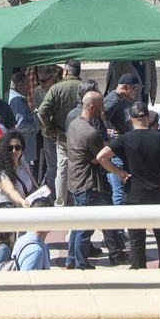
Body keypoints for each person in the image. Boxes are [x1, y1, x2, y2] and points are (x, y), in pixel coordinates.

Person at [112, 103, 160, 269]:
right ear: (147, 118)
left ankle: (139, 271)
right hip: (158, 194)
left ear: (130, 119)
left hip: (133, 194)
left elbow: (102, 156)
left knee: (136, 239)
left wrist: (118, 172)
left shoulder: (125, 139)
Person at [65, 91, 126, 269]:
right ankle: (81, 264)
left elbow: (94, 154)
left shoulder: (75, 124)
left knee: (77, 225)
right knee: (86, 227)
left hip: (75, 180)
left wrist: (95, 155)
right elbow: (102, 157)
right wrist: (118, 171)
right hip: (87, 183)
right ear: (92, 107)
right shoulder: (90, 132)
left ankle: (71, 259)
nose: (103, 110)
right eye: (100, 106)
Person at [37, 58, 86, 205]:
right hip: (82, 136)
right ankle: (78, 200)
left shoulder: (56, 88)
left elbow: (42, 111)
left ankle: (61, 201)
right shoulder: (85, 87)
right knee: (81, 168)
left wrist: (50, 127)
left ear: (65, 71)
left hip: (62, 135)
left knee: (62, 169)